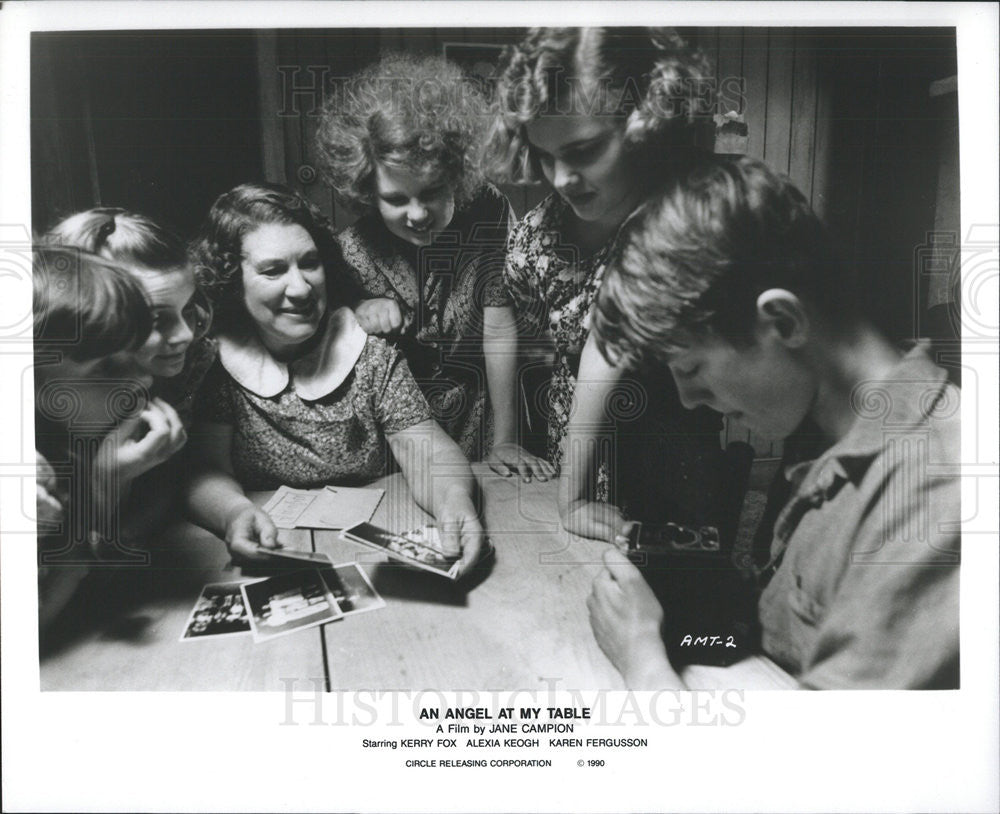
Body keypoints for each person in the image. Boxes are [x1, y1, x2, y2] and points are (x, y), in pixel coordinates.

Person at [587, 156, 960, 690]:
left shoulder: (932, 493)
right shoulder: (826, 437)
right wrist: (675, 630)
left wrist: (642, 656)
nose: (689, 401)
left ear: (782, 322)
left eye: (691, 368)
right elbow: (763, 644)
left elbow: (801, 772)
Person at [486, 27, 724, 534]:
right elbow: (502, 307)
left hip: (666, 451)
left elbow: (607, 344)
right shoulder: (538, 233)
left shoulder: (683, 212)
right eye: (546, 156)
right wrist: (505, 435)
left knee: (670, 589)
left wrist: (571, 500)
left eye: (584, 149)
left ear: (645, 121)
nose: (562, 178)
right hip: (571, 442)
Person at [187, 182, 484, 577]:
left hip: (370, 549)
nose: (301, 287)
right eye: (274, 270)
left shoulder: (369, 353)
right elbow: (207, 469)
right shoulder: (218, 363)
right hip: (274, 546)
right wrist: (234, 513)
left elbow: (427, 451)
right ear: (233, 282)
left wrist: (455, 503)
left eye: (309, 263)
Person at [315, 53, 552, 480]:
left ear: (458, 172)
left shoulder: (487, 212)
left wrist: (507, 440)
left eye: (432, 192)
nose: (419, 214)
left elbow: (499, 326)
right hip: (395, 439)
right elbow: (321, 352)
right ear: (367, 190)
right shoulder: (347, 252)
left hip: (485, 417)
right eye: (396, 199)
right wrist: (352, 314)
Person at [42, 209, 216, 536]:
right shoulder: (69, 403)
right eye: (154, 320)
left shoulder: (189, 365)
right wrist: (108, 481)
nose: (185, 335)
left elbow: (165, 491)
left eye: (189, 310)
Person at [33, 246, 179, 629]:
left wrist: (109, 480)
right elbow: (29, 625)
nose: (144, 379)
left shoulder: (74, 447)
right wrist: (104, 484)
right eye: (106, 366)